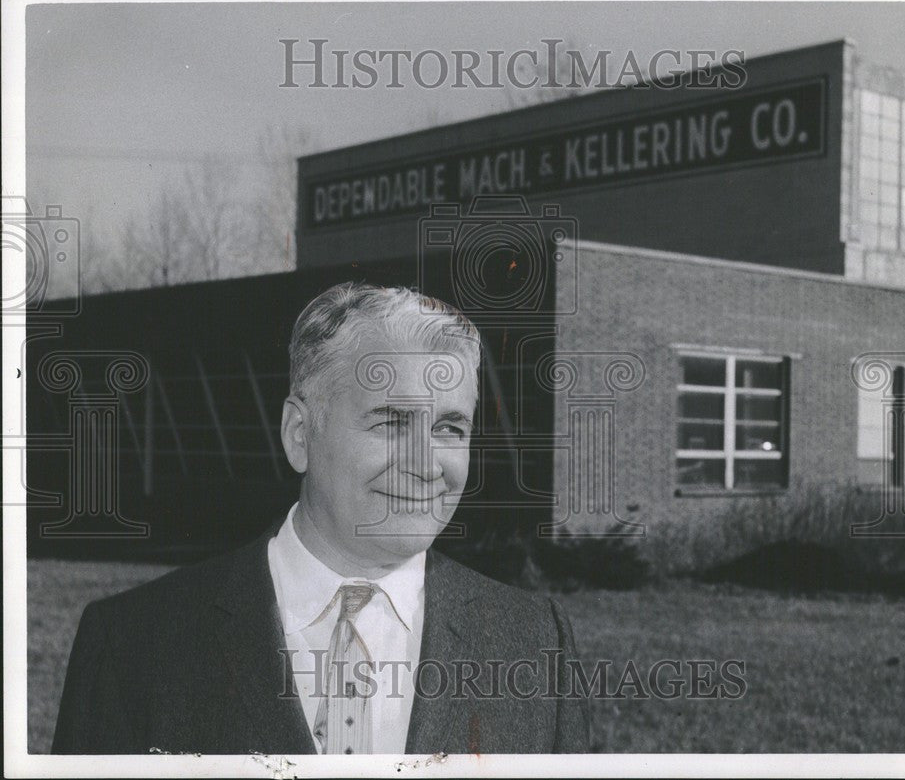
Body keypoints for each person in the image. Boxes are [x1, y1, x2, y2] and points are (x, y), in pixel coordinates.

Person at [52, 282, 589, 755]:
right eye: (391, 422)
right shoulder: (134, 644)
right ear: (299, 434)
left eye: (450, 428)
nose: (427, 466)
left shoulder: (536, 644)